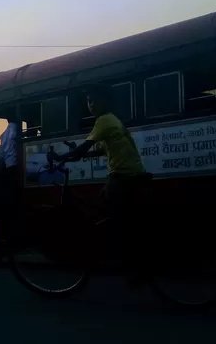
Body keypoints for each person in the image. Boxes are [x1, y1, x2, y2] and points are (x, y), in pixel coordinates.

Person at [50, 84, 148, 282]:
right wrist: (73, 155)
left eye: (94, 100)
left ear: (105, 102)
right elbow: (98, 150)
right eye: (88, 101)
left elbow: (82, 149)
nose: (91, 105)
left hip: (123, 175)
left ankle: (132, 266)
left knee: (116, 222)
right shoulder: (111, 120)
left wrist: (61, 156)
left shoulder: (104, 121)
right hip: (126, 174)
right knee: (104, 206)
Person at [0, 111, 21, 245]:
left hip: (8, 166)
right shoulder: (16, 131)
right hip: (15, 166)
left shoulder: (4, 135)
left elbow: (0, 156)